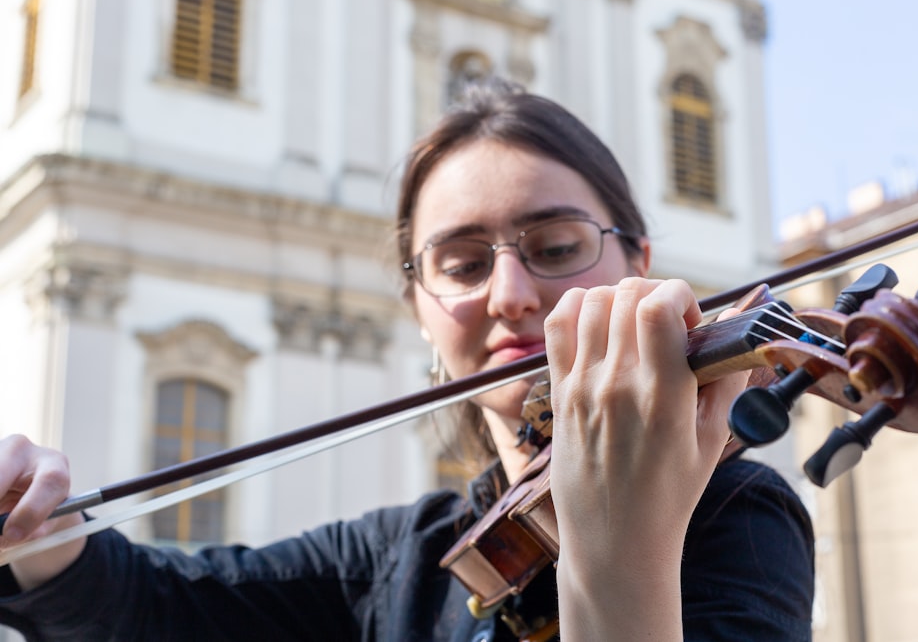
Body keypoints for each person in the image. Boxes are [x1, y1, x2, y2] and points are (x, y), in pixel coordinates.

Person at [0, 80, 814, 641]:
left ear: (638, 265)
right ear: (419, 308)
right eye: (461, 263)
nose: (509, 293)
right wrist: (40, 534)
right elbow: (164, 606)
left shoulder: (734, 515)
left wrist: (621, 540)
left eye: (556, 246)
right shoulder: (408, 558)